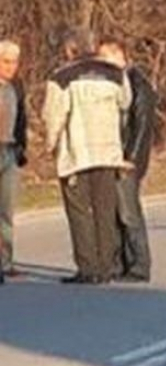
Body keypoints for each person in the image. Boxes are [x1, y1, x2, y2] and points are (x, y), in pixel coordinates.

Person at [43, 28, 132, 284]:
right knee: (105, 210)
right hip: (108, 152)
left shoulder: (61, 77)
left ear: (71, 50)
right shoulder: (116, 74)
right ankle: (106, 267)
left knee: (80, 212)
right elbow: (125, 103)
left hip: (76, 154)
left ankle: (87, 267)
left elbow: (54, 115)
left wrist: (52, 145)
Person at [97, 38, 157, 283]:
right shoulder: (112, 83)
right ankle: (119, 262)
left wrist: (131, 158)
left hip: (128, 158)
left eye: (105, 58)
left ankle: (140, 264)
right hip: (113, 155)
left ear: (120, 56)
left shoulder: (138, 85)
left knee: (129, 212)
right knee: (114, 211)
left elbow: (142, 126)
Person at [0, 40, 27, 282]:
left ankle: (6, 261)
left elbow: (22, 120)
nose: (11, 67)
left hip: (9, 150)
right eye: (6, 62)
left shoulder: (16, 86)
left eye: (14, 62)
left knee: (6, 210)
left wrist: (22, 148)